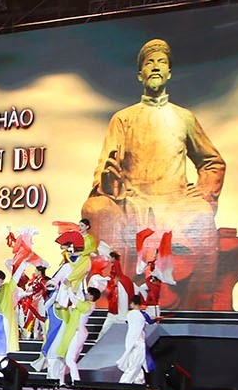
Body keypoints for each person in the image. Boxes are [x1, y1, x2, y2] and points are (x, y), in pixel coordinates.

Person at [81, 38, 227, 309]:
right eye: (150, 63)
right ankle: (103, 301)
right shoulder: (123, 118)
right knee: (96, 208)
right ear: (140, 75)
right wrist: (110, 182)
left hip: (176, 202)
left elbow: (211, 162)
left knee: (202, 212)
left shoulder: (184, 117)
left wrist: (203, 189)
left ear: (169, 73)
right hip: (133, 204)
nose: (156, 67)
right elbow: (104, 168)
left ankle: (198, 305)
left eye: (161, 62)